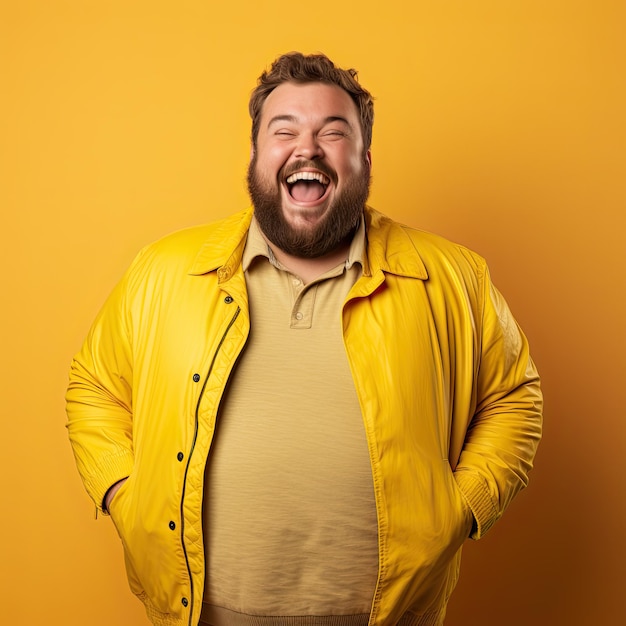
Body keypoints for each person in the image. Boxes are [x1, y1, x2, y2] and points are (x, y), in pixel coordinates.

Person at [66, 52, 542, 626]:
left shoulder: (451, 276)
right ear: (256, 154)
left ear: (364, 158)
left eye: (332, 133)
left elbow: (515, 397)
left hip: (388, 615)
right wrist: (125, 494)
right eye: (283, 130)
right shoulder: (162, 270)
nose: (307, 148)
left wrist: (461, 509)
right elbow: (93, 385)